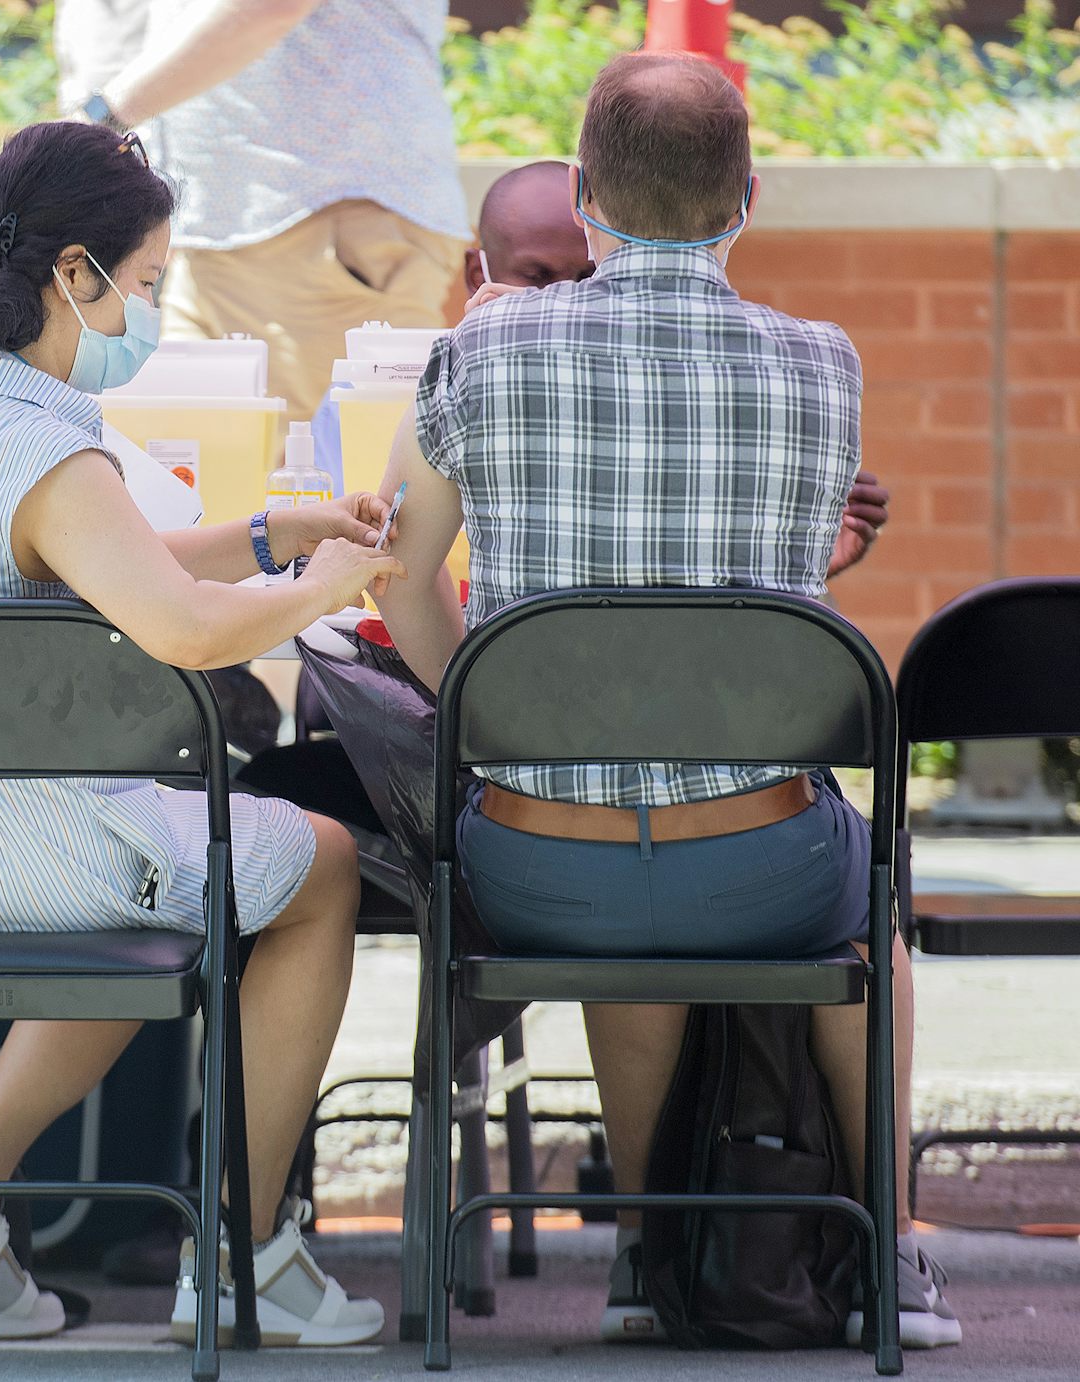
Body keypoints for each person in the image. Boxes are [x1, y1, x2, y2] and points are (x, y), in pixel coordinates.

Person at [373, 55, 959, 1349]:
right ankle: (899, 1254)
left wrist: (490, 713)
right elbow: (776, 599)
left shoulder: (483, 344)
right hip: (761, 864)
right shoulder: (823, 364)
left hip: (536, 863)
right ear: (745, 197)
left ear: (581, 194)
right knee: (874, 917)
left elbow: (404, 581)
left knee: (617, 911)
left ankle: (645, 1252)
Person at [0, 121, 403, 1347]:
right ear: (75, 275)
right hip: (29, 849)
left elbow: (108, 561)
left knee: (148, 888)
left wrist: (277, 534)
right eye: (146, 283)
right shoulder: (51, 446)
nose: (151, 308)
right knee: (323, 864)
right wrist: (334, 583)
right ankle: (246, 1251)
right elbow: (187, 629)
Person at [312, 160, 893, 579]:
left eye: (587, 282)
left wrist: (804, 553)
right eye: (537, 279)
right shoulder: (389, 384)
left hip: (521, 712)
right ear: (476, 273)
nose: (560, 303)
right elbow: (364, 559)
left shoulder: (678, 387)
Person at [60, 0, 470, 425]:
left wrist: (101, 121)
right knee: (199, 469)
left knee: (326, 477)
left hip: (316, 223)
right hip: (219, 243)